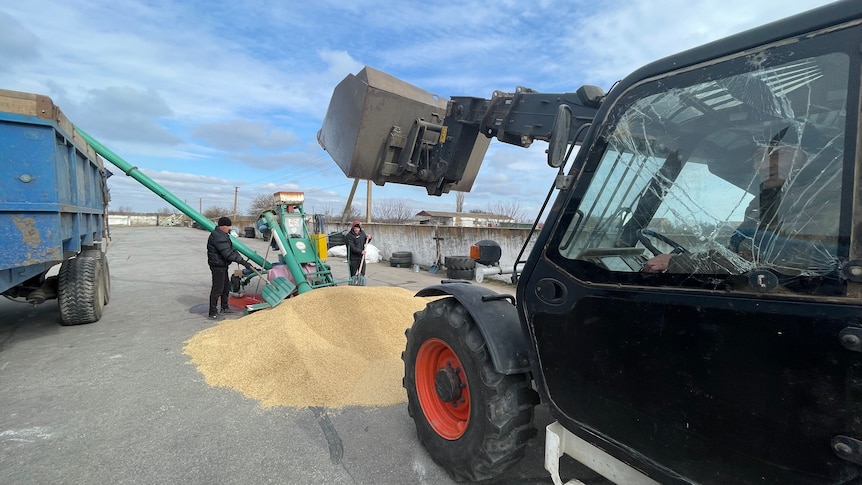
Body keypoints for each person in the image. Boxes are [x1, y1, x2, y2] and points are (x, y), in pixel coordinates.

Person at [644, 142, 838, 274]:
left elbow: (774, 259)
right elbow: (743, 253)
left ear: (811, 157)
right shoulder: (765, 203)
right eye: (759, 155)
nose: (764, 165)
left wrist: (677, 263)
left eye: (782, 153)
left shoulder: (833, 199)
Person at [207, 216, 253, 319]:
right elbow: (227, 253)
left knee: (226, 288)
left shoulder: (223, 235)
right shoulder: (217, 236)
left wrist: (244, 261)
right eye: (228, 226)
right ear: (223, 226)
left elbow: (232, 250)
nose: (229, 228)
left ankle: (224, 307)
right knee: (217, 289)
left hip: (222, 265)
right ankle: (212, 312)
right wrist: (243, 263)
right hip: (217, 266)